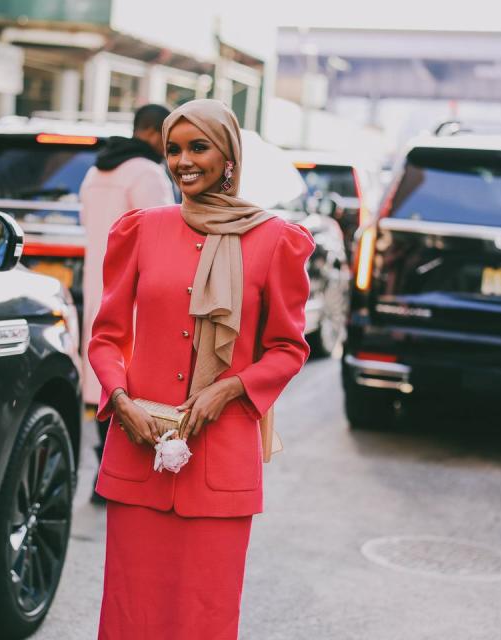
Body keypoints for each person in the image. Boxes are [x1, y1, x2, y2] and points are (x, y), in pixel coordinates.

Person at [88, 99, 314, 639]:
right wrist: (120, 400)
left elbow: (288, 347)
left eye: (198, 147)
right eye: (173, 149)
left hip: (220, 466)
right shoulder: (140, 230)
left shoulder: (275, 240)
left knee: (204, 618)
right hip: (136, 454)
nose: (183, 161)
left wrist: (229, 389)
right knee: (129, 614)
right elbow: (107, 337)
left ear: (229, 158)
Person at [79, 103, 175, 503]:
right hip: (137, 290)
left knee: (103, 372)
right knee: (135, 375)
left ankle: (103, 469)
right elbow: (166, 235)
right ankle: (121, 471)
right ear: (153, 132)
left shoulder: (95, 170)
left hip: (98, 285)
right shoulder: (149, 174)